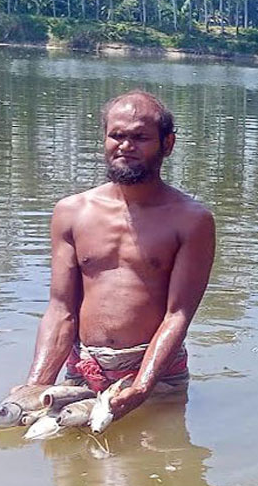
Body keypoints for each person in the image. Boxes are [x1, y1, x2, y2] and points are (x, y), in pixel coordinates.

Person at [12, 90, 215, 422]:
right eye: (116, 135)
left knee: (149, 466)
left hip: (158, 375)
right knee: (70, 470)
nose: (125, 145)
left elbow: (177, 315)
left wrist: (141, 386)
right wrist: (37, 385)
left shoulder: (191, 220)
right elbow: (61, 309)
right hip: (83, 369)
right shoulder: (71, 212)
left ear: (168, 144)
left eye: (140, 137)